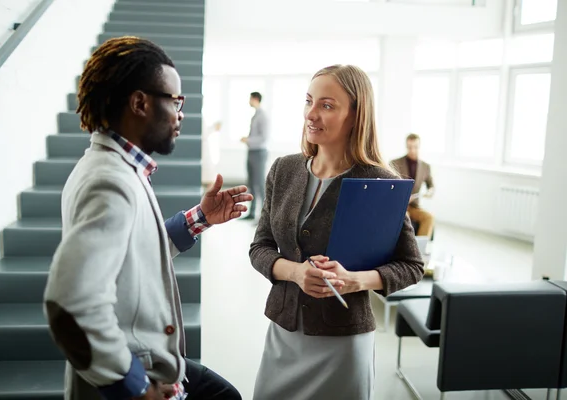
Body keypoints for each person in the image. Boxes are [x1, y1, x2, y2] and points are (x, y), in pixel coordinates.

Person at [43, 37, 246, 400]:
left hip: (154, 362)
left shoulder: (117, 168)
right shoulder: (109, 181)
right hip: (136, 374)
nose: (181, 113)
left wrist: (200, 217)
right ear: (139, 103)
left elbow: (135, 253)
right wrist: (136, 388)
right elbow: (69, 303)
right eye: (175, 101)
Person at [248, 65, 424, 400]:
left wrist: (355, 280)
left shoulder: (380, 181)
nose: (311, 114)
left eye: (327, 105)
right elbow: (261, 247)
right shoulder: (283, 169)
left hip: (343, 343)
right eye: (309, 101)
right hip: (284, 334)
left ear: (356, 115)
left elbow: (411, 266)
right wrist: (296, 273)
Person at [390, 133, 435, 238]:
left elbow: (431, 185)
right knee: (406, 217)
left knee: (429, 217)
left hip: (414, 206)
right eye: (410, 147)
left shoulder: (425, 167)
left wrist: (430, 191)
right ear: (406, 146)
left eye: (415, 147)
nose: (412, 150)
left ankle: (420, 249)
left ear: (419, 146)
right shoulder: (395, 163)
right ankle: (410, 249)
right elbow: (389, 186)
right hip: (400, 206)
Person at [240, 92, 269, 221]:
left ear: (255, 99)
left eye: (250, 98)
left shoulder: (263, 116)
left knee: (259, 184)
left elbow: (263, 138)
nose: (249, 101)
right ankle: (252, 213)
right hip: (252, 152)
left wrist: (248, 140)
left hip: (259, 152)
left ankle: (264, 217)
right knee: (251, 183)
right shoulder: (255, 115)